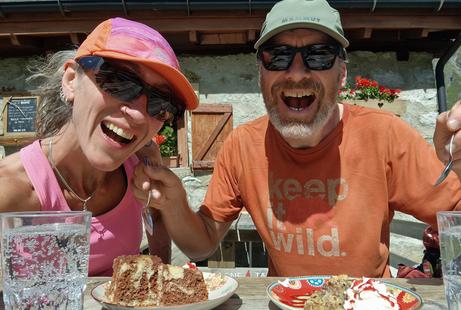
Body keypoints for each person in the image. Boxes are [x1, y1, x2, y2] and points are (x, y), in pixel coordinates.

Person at [133, 0, 461, 278]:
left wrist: (458, 166)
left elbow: (454, 213)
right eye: (278, 56)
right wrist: (174, 203)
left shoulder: (386, 135)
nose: (297, 73)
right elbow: (200, 244)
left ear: (342, 74)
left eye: (319, 56)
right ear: (261, 74)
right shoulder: (243, 145)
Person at [0, 17, 199, 276]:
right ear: (72, 80)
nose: (139, 116)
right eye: (119, 82)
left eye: (161, 103)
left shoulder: (143, 159)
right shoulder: (10, 190)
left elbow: (157, 216)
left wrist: (159, 283)